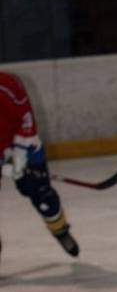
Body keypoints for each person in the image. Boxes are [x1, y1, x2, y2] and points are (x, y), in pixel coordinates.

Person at [0, 71, 79, 260]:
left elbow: (26, 119)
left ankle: (60, 230)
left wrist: (19, 153)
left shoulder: (7, 84)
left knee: (43, 195)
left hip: (23, 141)